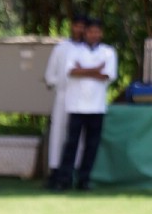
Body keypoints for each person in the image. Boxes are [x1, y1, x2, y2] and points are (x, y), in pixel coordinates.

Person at [50, 15, 117, 192]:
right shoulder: (73, 50)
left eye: (97, 31)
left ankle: (84, 179)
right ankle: (64, 179)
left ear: (101, 33)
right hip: (76, 105)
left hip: (97, 106)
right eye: (91, 31)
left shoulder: (108, 52)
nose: (94, 34)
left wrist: (84, 70)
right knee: (71, 144)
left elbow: (107, 75)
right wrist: (95, 70)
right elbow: (71, 72)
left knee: (91, 145)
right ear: (85, 32)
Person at [44, 13, 86, 177]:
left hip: (83, 99)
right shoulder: (61, 48)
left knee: (80, 136)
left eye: (83, 27)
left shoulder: (90, 49)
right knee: (58, 132)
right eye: (77, 26)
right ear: (72, 27)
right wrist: (61, 84)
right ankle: (55, 170)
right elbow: (50, 76)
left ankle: (74, 170)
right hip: (63, 96)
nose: (80, 30)